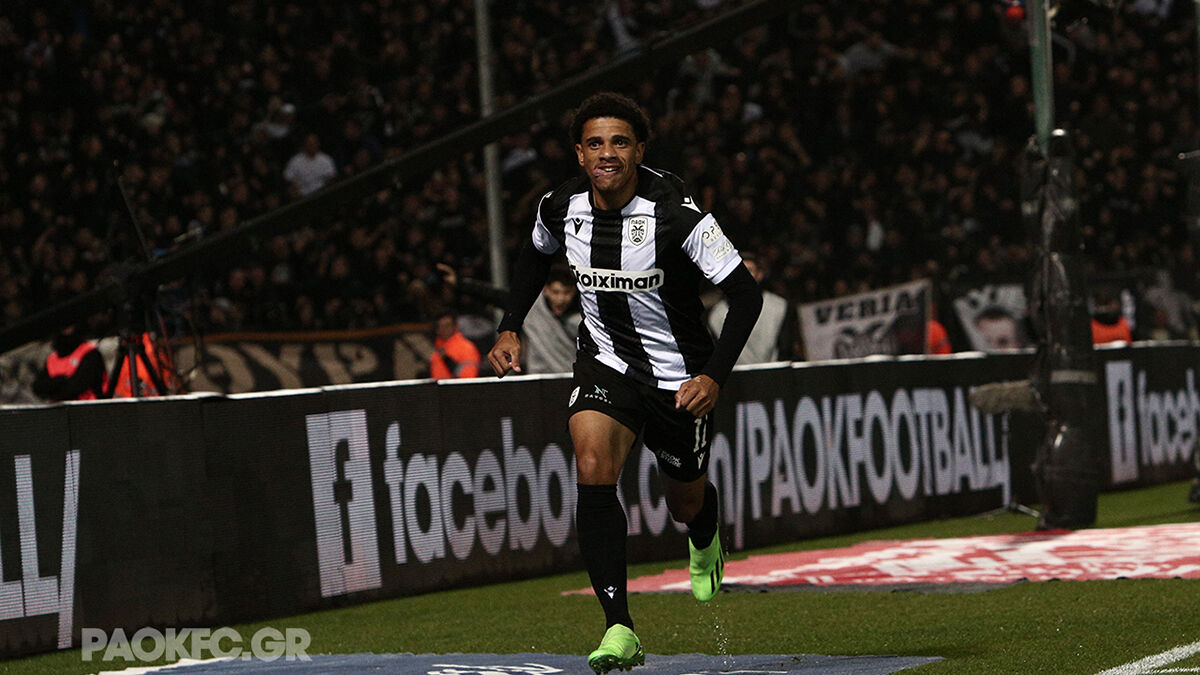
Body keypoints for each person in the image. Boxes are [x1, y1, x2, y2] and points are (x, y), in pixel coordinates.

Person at [487, 92, 762, 674]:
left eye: (619, 142)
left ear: (639, 150)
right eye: (595, 143)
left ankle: (704, 525)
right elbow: (534, 256)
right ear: (579, 154)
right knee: (592, 465)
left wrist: (713, 375)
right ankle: (619, 626)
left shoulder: (679, 214)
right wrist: (510, 326)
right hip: (605, 363)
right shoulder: (559, 206)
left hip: (679, 378)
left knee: (684, 499)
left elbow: (745, 295)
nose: (606, 153)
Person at [706, 252, 794, 365]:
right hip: (735, 374)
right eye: (738, 272)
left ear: (760, 274)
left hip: (772, 371)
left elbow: (786, 347)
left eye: (749, 271)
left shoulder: (779, 306)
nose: (743, 276)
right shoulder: (716, 314)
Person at [522, 263, 581, 374]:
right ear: (546, 289)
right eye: (555, 292)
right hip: (538, 376)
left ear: (574, 290)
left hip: (571, 376)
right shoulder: (530, 306)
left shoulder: (586, 315)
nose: (560, 299)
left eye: (566, 292)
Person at [32, 324, 107, 401]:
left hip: (90, 406)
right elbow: (38, 387)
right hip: (60, 407)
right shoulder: (51, 359)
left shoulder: (90, 352)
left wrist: (53, 386)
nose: (66, 330)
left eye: (69, 326)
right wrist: (62, 381)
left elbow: (78, 386)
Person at [430, 310, 481, 380]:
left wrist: (447, 360)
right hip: (438, 386)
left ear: (455, 327)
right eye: (440, 326)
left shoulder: (466, 347)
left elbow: (468, 377)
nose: (443, 329)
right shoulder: (435, 348)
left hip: (456, 386)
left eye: (447, 325)